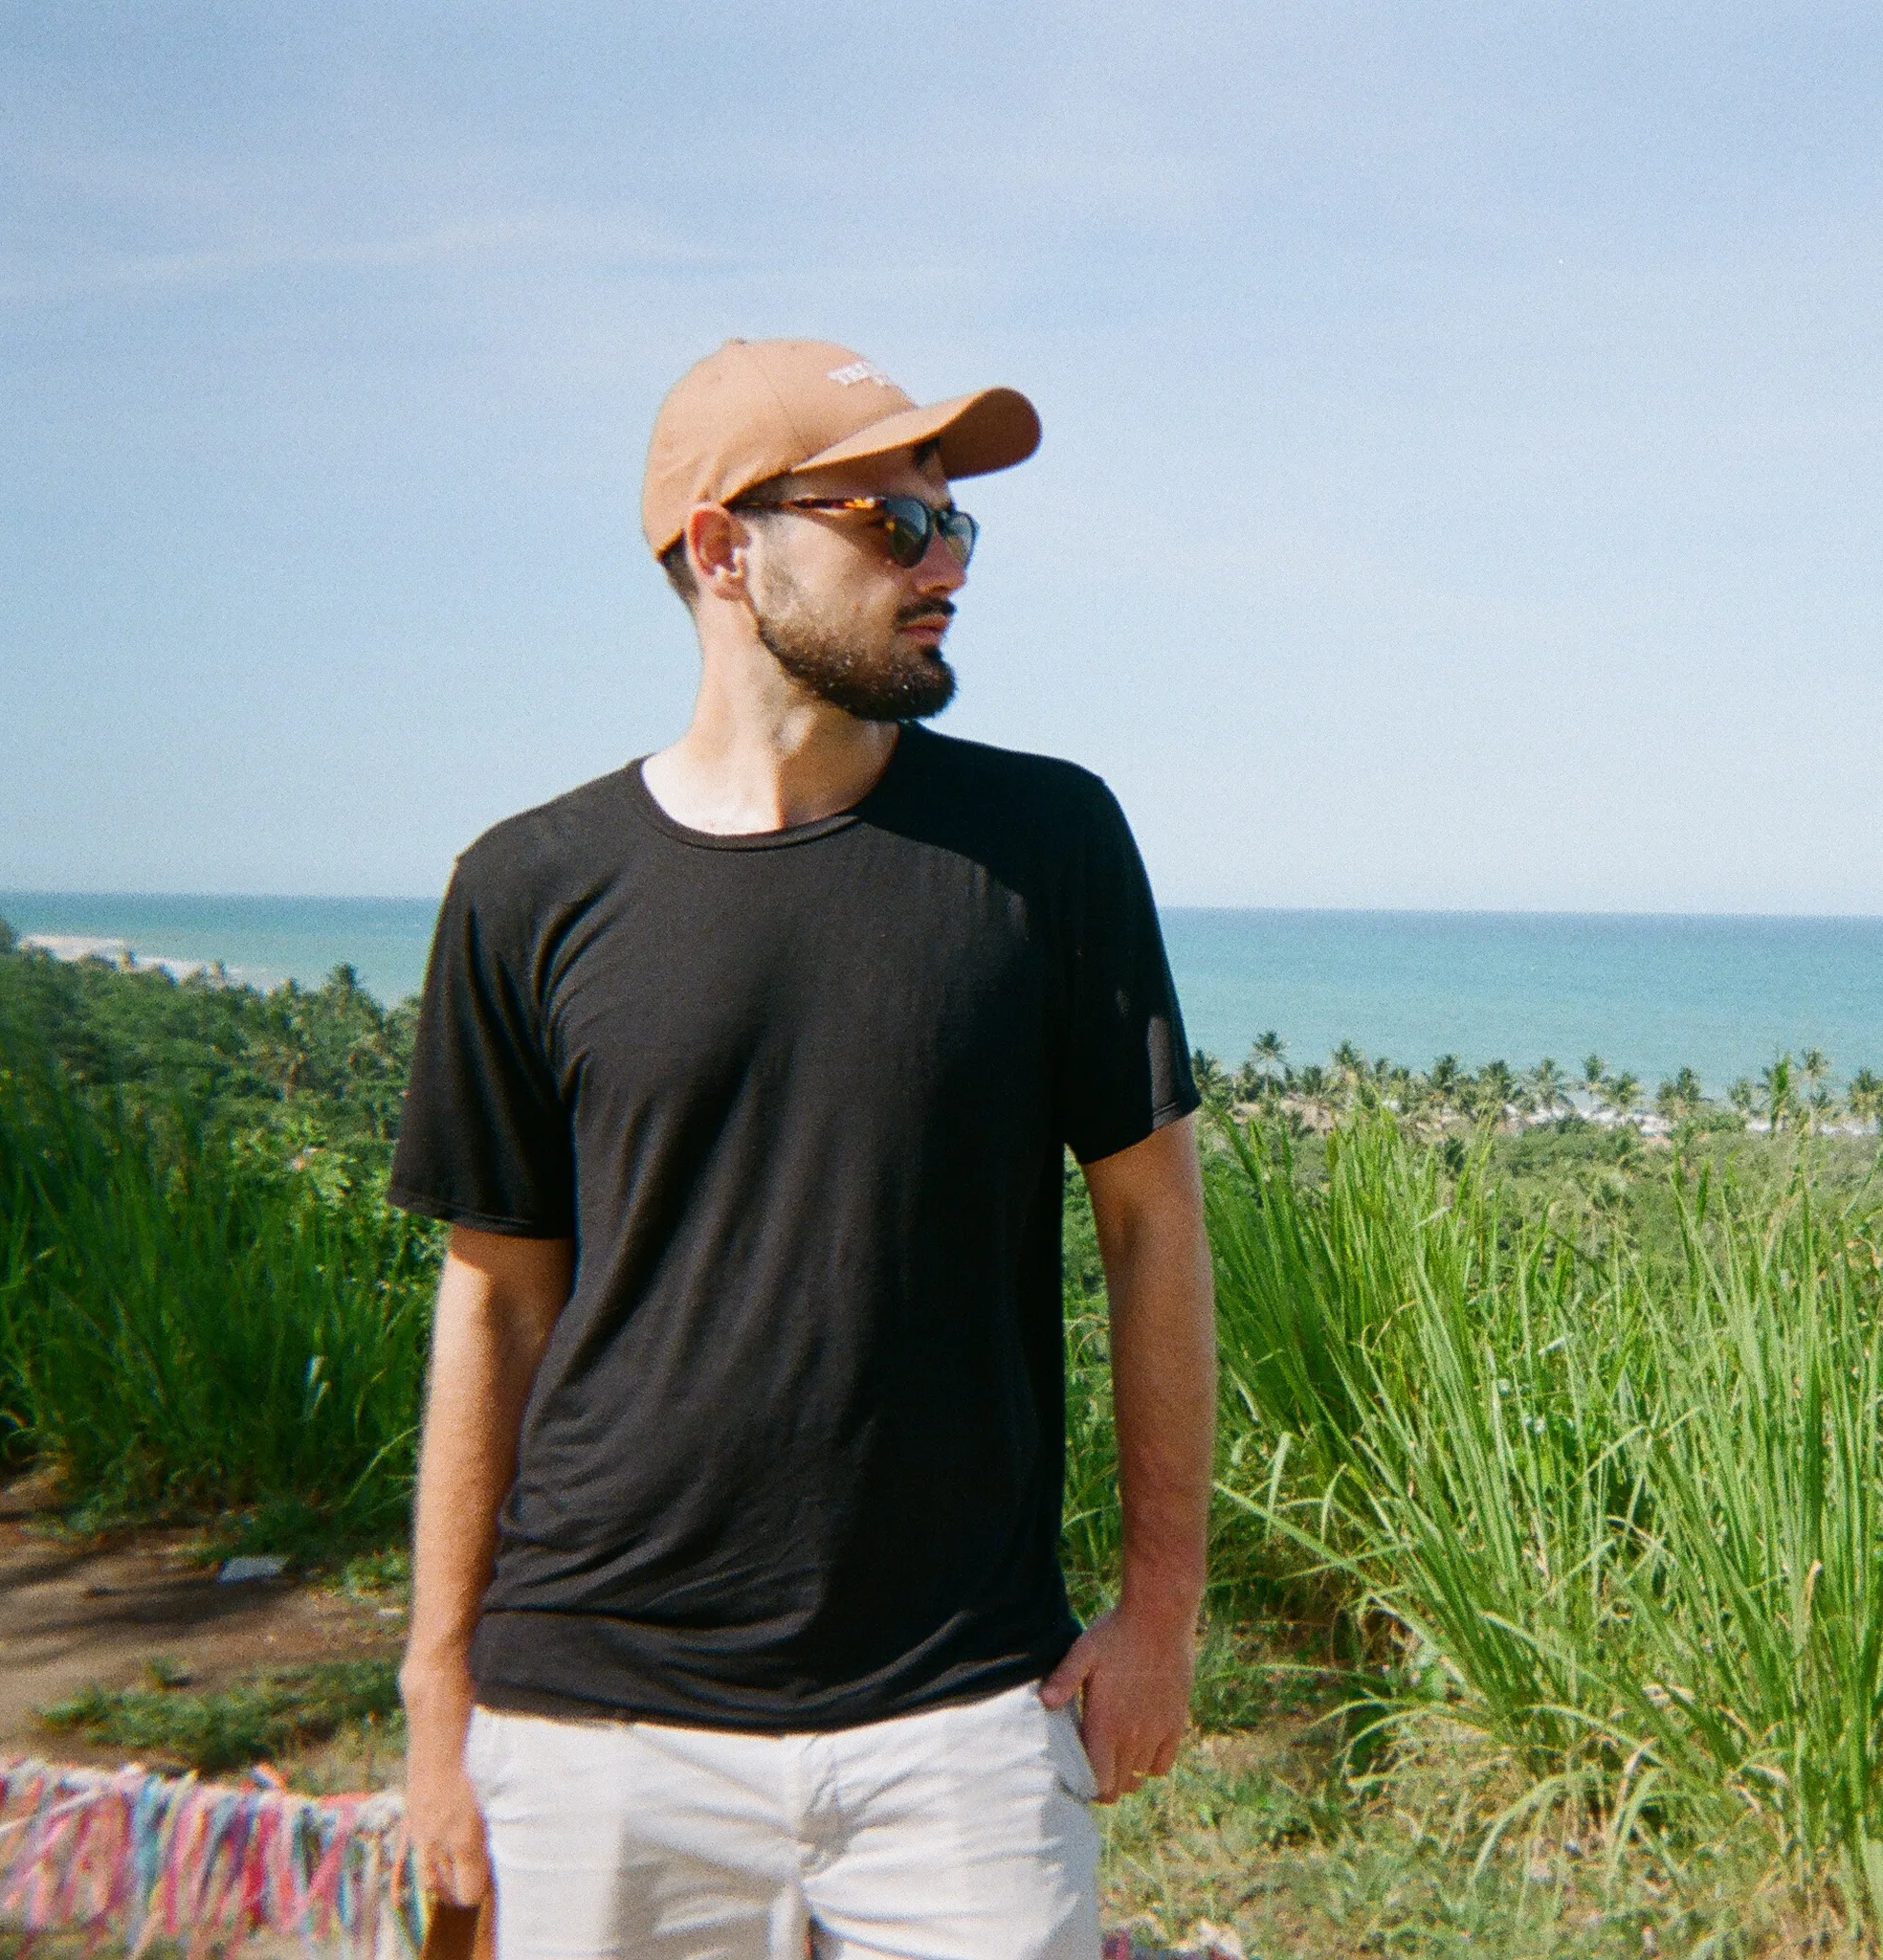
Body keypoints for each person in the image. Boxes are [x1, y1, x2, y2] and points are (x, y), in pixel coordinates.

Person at [388, 337, 1214, 1960]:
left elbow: (1153, 1231)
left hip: (964, 1715)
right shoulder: (527, 888)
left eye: (959, 524)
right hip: (596, 1722)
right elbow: (491, 1304)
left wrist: (1163, 1606)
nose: (949, 566)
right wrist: (437, 1703)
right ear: (722, 548)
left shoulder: (1047, 844)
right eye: (895, 525)